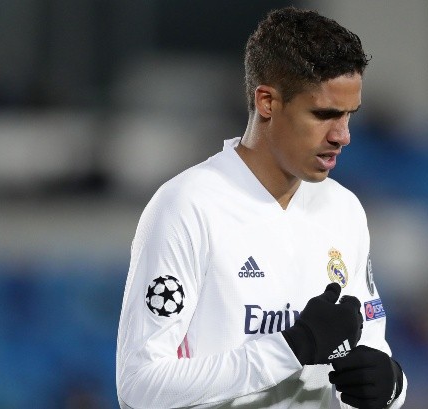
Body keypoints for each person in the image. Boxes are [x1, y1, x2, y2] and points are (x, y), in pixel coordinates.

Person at [116, 6, 407, 409]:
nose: (342, 136)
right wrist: (291, 348)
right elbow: (139, 386)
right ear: (268, 102)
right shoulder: (187, 206)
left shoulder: (345, 210)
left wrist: (392, 387)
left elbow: (373, 354)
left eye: (348, 116)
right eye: (323, 114)